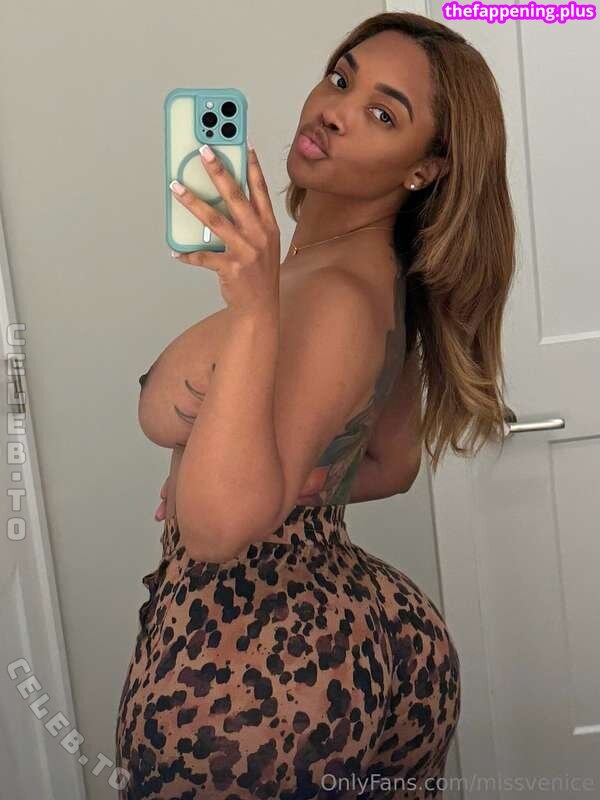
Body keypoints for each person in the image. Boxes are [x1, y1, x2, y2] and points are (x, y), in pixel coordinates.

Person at [116, 11, 515, 798]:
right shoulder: (371, 273)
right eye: (341, 78)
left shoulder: (330, 295)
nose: (334, 110)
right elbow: (390, 462)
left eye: (383, 113)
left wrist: (253, 310)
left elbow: (219, 531)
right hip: (349, 630)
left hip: (254, 669)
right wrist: (251, 470)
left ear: (424, 169)